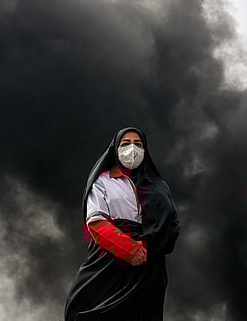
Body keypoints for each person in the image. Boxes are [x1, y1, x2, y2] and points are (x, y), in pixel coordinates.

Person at [64, 127, 180, 321]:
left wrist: (147, 247)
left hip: (150, 267)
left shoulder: (159, 186)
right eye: (125, 144)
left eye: (138, 144)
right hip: (109, 261)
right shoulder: (103, 182)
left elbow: (171, 226)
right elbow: (95, 222)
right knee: (87, 309)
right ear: (115, 149)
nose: (132, 149)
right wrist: (130, 249)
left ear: (145, 151)